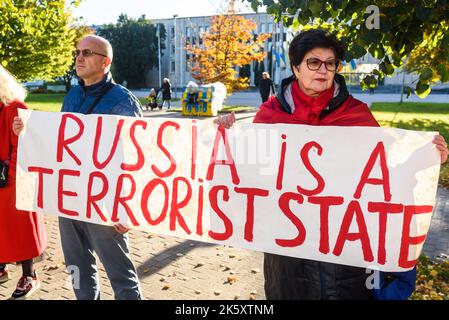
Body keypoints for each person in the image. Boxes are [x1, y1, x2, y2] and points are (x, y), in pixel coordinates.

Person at [215, 28, 449, 300]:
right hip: (287, 250)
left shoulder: (357, 115)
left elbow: (383, 174)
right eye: (314, 62)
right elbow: (247, 175)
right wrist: (226, 136)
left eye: (331, 63)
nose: (323, 70)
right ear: (296, 67)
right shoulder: (270, 116)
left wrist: (423, 160)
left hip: (342, 250)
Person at [14, 35, 143, 300]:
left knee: (121, 275)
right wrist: (28, 131)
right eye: (77, 52)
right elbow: (61, 143)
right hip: (70, 199)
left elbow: (139, 157)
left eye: (87, 52)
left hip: (104, 202)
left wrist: (128, 207)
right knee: (78, 270)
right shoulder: (72, 96)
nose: (79, 57)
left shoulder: (123, 101)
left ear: (105, 62)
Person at [0, 65, 47, 300]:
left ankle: (30, 274)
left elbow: (26, 146)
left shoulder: (15, 107)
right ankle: (2, 267)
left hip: (14, 181)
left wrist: (8, 174)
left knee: (21, 229)